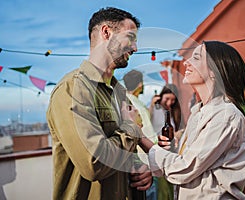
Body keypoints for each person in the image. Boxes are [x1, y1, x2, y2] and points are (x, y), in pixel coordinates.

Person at [46, 7, 152, 200]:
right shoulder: (71, 89)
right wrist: (131, 127)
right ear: (106, 32)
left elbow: (127, 150)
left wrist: (140, 168)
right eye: (130, 37)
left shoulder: (118, 91)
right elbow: (93, 164)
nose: (135, 48)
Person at [139, 41, 245, 199]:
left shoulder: (225, 115)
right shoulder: (199, 113)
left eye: (196, 58)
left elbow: (185, 168)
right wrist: (173, 148)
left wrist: (140, 137)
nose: (187, 62)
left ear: (214, 71)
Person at [123, 69, 158, 200]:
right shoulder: (137, 106)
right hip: (145, 164)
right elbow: (146, 133)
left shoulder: (126, 102)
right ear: (140, 84)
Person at [149, 83, 184, 200]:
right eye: (167, 99)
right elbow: (146, 123)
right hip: (156, 152)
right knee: (161, 190)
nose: (170, 103)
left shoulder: (172, 113)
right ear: (161, 96)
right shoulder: (155, 108)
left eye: (173, 100)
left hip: (170, 154)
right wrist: (151, 105)